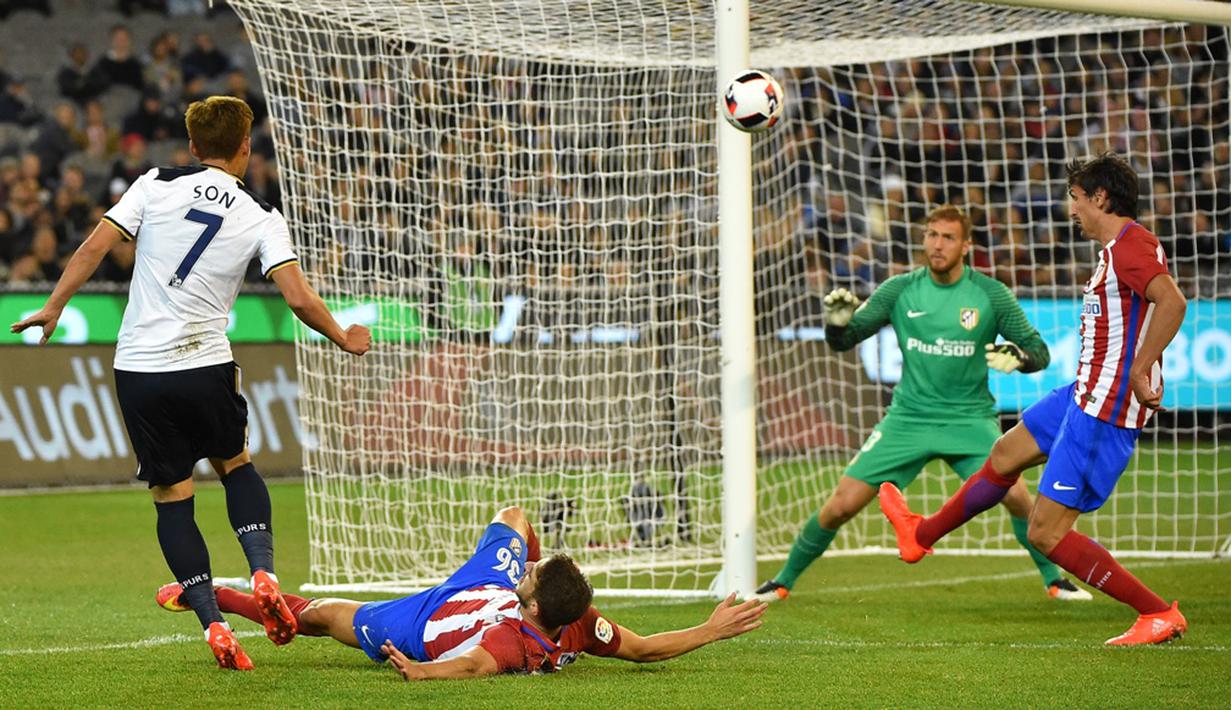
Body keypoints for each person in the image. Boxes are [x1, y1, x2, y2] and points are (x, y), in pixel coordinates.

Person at [10, 96, 372, 670]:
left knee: (172, 498)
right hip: (204, 363)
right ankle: (263, 573)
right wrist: (342, 336)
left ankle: (213, 623)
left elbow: (95, 246)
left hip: (139, 369)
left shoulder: (155, 183)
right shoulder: (260, 214)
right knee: (236, 465)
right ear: (245, 148)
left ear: (194, 146)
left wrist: (54, 307)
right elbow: (299, 298)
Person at [879, 153, 1189, 646]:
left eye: (1076, 198)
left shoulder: (1130, 245)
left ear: (1100, 198)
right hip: (1083, 391)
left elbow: (1172, 301)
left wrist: (1139, 367)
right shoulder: (1121, 247)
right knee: (1004, 454)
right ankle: (920, 536)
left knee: (1045, 533)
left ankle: (1157, 612)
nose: (1072, 209)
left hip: (1103, 407)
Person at [755, 205, 1093, 603]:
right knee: (840, 505)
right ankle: (781, 582)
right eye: (932, 235)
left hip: (969, 420)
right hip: (908, 419)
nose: (937, 244)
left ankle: (1054, 580)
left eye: (948, 237)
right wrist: (837, 323)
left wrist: (1019, 358)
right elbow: (844, 341)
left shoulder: (990, 294)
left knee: (1018, 498)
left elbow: (1039, 352)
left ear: (965, 245)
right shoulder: (900, 290)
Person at [156, 506, 768, 678]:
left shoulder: (510, 640)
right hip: (483, 585)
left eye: (533, 574)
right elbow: (644, 648)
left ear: (533, 606)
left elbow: (472, 665)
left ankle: (220, 599)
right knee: (515, 517)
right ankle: (237, 602)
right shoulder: (579, 620)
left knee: (318, 615)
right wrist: (711, 629)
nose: (530, 566)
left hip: (421, 627)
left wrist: (419, 671)